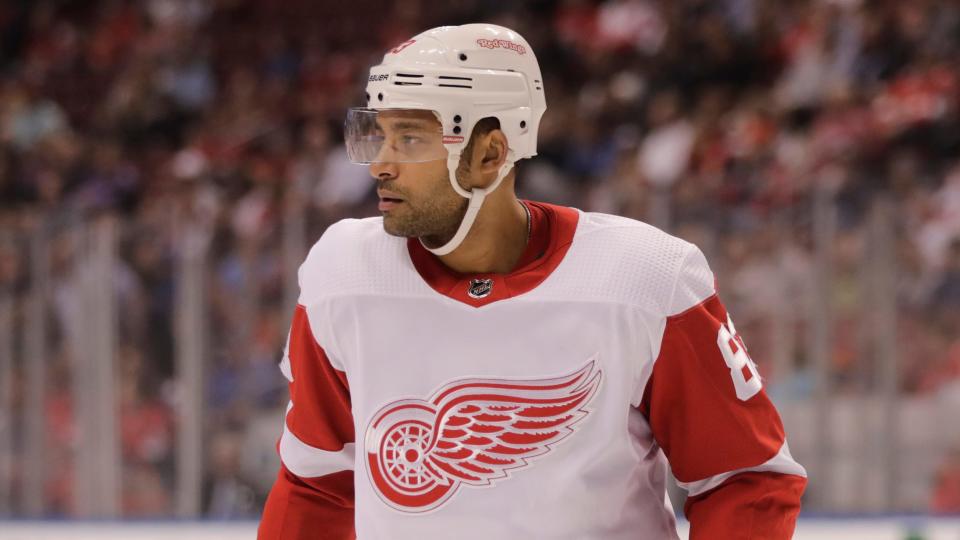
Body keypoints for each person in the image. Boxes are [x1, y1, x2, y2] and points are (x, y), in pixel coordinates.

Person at [257, 23, 806, 540]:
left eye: (410, 140)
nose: (381, 163)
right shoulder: (343, 275)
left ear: (491, 153)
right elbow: (316, 483)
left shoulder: (645, 279)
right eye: (378, 135)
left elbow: (745, 478)